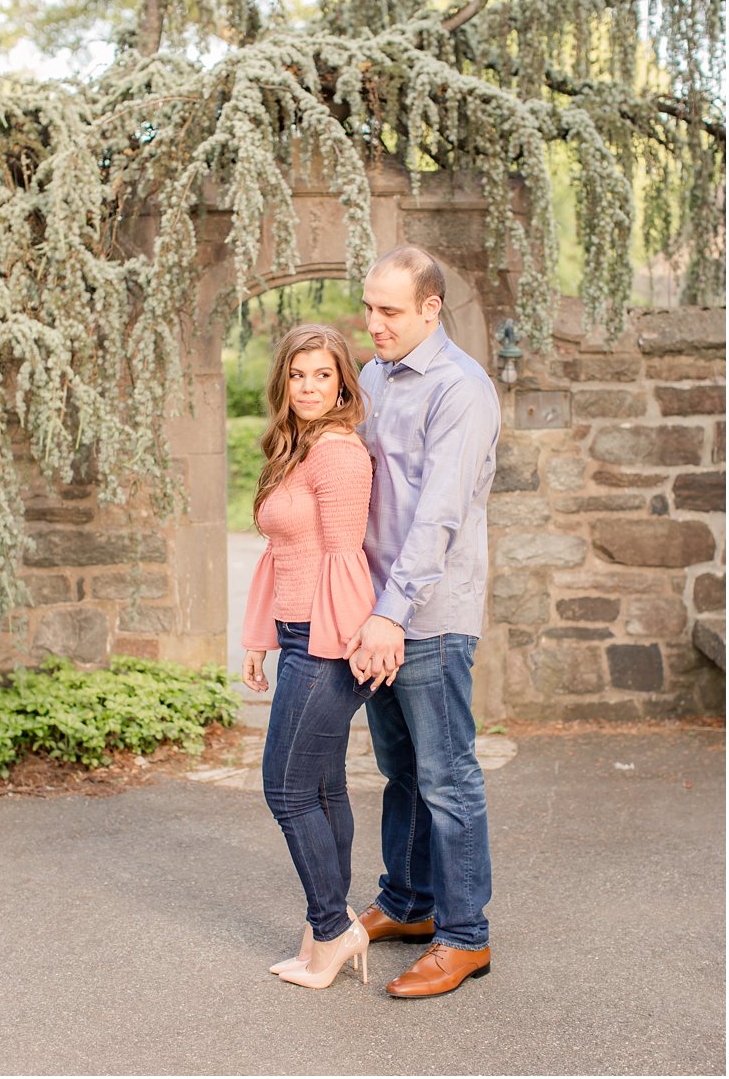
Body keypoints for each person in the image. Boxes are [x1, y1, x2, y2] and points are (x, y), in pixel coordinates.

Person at [345, 245, 501, 998]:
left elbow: (438, 515)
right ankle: (408, 903)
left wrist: (391, 614)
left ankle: (465, 936)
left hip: (427, 613)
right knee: (400, 771)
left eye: (389, 311)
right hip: (376, 614)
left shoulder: (461, 389)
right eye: (368, 307)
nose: (371, 323)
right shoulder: (374, 376)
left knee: (448, 776)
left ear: (431, 309)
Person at [241, 323, 381, 990]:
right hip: (295, 634)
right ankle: (325, 925)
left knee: (286, 787)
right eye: (298, 375)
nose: (308, 386)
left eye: (322, 374)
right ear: (284, 382)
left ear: (342, 382)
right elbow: (284, 555)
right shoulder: (297, 449)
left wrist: (342, 649)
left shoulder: (338, 454)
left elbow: (344, 557)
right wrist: (258, 638)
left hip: (326, 641)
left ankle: (332, 929)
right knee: (322, 787)